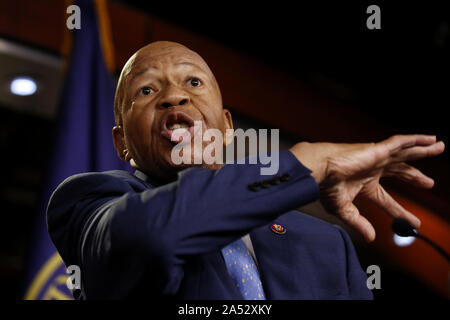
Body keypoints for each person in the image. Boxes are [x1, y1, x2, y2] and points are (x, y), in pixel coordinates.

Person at [46, 41, 445, 300]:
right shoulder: (89, 202)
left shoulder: (328, 245)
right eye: (147, 90)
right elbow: (153, 239)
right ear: (121, 144)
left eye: (193, 81)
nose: (174, 95)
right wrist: (309, 161)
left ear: (227, 126)